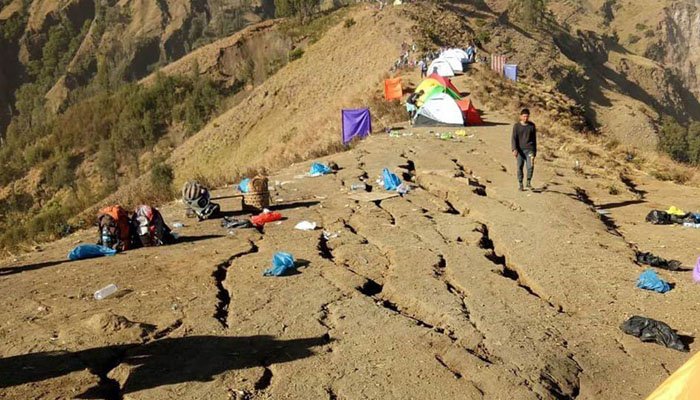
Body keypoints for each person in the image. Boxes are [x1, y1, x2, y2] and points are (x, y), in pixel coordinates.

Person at [511, 108, 537, 191]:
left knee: (530, 167)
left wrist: (534, 151)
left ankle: (528, 182)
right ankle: (520, 183)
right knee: (519, 167)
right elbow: (514, 138)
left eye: (527, 116)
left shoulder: (532, 126)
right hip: (520, 150)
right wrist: (514, 149)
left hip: (530, 150)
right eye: (524, 116)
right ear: (521, 116)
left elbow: (534, 139)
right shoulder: (516, 126)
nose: (526, 118)